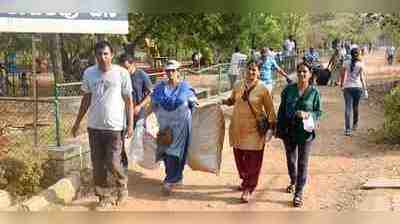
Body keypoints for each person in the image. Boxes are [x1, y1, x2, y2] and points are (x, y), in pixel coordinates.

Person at [71, 41, 134, 209]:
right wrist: (78, 122)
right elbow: (86, 99)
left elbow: (128, 101)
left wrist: (130, 125)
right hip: (94, 127)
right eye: (99, 54)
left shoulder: (121, 73)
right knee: (97, 163)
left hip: (114, 127)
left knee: (113, 161)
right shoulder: (89, 73)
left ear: (111, 55)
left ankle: (122, 187)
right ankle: (103, 197)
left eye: (105, 54)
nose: (102, 57)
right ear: (95, 56)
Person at [221, 61, 277, 203]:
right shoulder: (238, 85)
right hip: (238, 128)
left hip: (254, 130)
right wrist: (223, 102)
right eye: (249, 69)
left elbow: (270, 109)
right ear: (245, 70)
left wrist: (271, 127)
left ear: (258, 72)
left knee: (253, 159)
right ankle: (246, 179)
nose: (251, 72)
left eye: (254, 70)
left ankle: (249, 187)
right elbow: (233, 100)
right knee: (240, 158)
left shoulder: (263, 89)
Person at [276, 62, 322, 208]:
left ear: (310, 74)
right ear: (297, 73)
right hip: (289, 131)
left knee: (303, 162)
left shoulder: (314, 92)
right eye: (300, 71)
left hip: (305, 132)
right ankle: (293, 180)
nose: (302, 74)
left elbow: (318, 111)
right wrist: (278, 129)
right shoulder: (288, 90)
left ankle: (299, 192)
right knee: (291, 160)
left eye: (305, 72)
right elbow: (282, 110)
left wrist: (308, 114)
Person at [151, 60, 198, 195]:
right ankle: (175, 177)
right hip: (165, 126)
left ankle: (170, 180)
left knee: (176, 154)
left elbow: (194, 102)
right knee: (165, 152)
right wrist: (142, 118)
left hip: (181, 128)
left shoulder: (185, 88)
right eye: (168, 71)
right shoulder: (160, 88)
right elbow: (153, 103)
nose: (170, 73)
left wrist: (197, 105)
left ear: (178, 72)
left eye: (173, 70)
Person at [118, 54, 153, 171]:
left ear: (133, 64)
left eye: (127, 67)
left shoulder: (141, 75)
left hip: (139, 113)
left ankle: (147, 160)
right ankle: (124, 165)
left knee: (140, 137)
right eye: (122, 68)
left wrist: (139, 106)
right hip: (125, 113)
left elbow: (149, 95)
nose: (125, 70)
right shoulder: (121, 77)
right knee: (122, 138)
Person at [339, 47, 368, 136]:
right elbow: (362, 78)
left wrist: (341, 85)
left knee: (348, 108)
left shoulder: (346, 63)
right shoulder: (361, 64)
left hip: (347, 87)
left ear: (350, 54)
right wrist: (365, 90)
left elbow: (343, 75)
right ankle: (355, 124)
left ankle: (347, 129)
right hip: (358, 88)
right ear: (358, 54)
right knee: (355, 107)